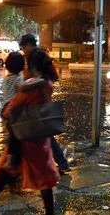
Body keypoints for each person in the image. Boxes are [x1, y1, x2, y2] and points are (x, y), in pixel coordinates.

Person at [0, 47, 60, 215]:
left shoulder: (31, 87)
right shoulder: (47, 83)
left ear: (32, 65)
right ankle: (50, 213)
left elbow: (11, 109)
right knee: (44, 176)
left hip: (23, 136)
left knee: (5, 170)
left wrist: (4, 111)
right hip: (39, 137)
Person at [19, 34, 71, 174]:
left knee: (41, 133)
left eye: (23, 47)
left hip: (40, 100)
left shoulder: (35, 56)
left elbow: (36, 79)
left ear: (29, 44)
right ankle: (59, 161)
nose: (23, 51)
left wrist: (24, 86)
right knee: (44, 133)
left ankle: (57, 163)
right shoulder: (41, 54)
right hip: (43, 96)